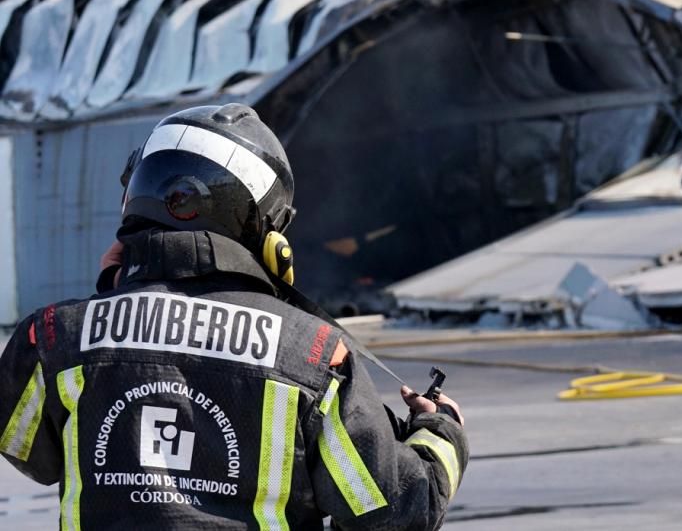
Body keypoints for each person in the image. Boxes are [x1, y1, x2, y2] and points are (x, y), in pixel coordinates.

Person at [0, 103, 467, 530]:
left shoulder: (54, 337)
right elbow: (393, 511)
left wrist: (111, 306)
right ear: (268, 236)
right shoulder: (314, 354)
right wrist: (441, 431)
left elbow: (31, 455)